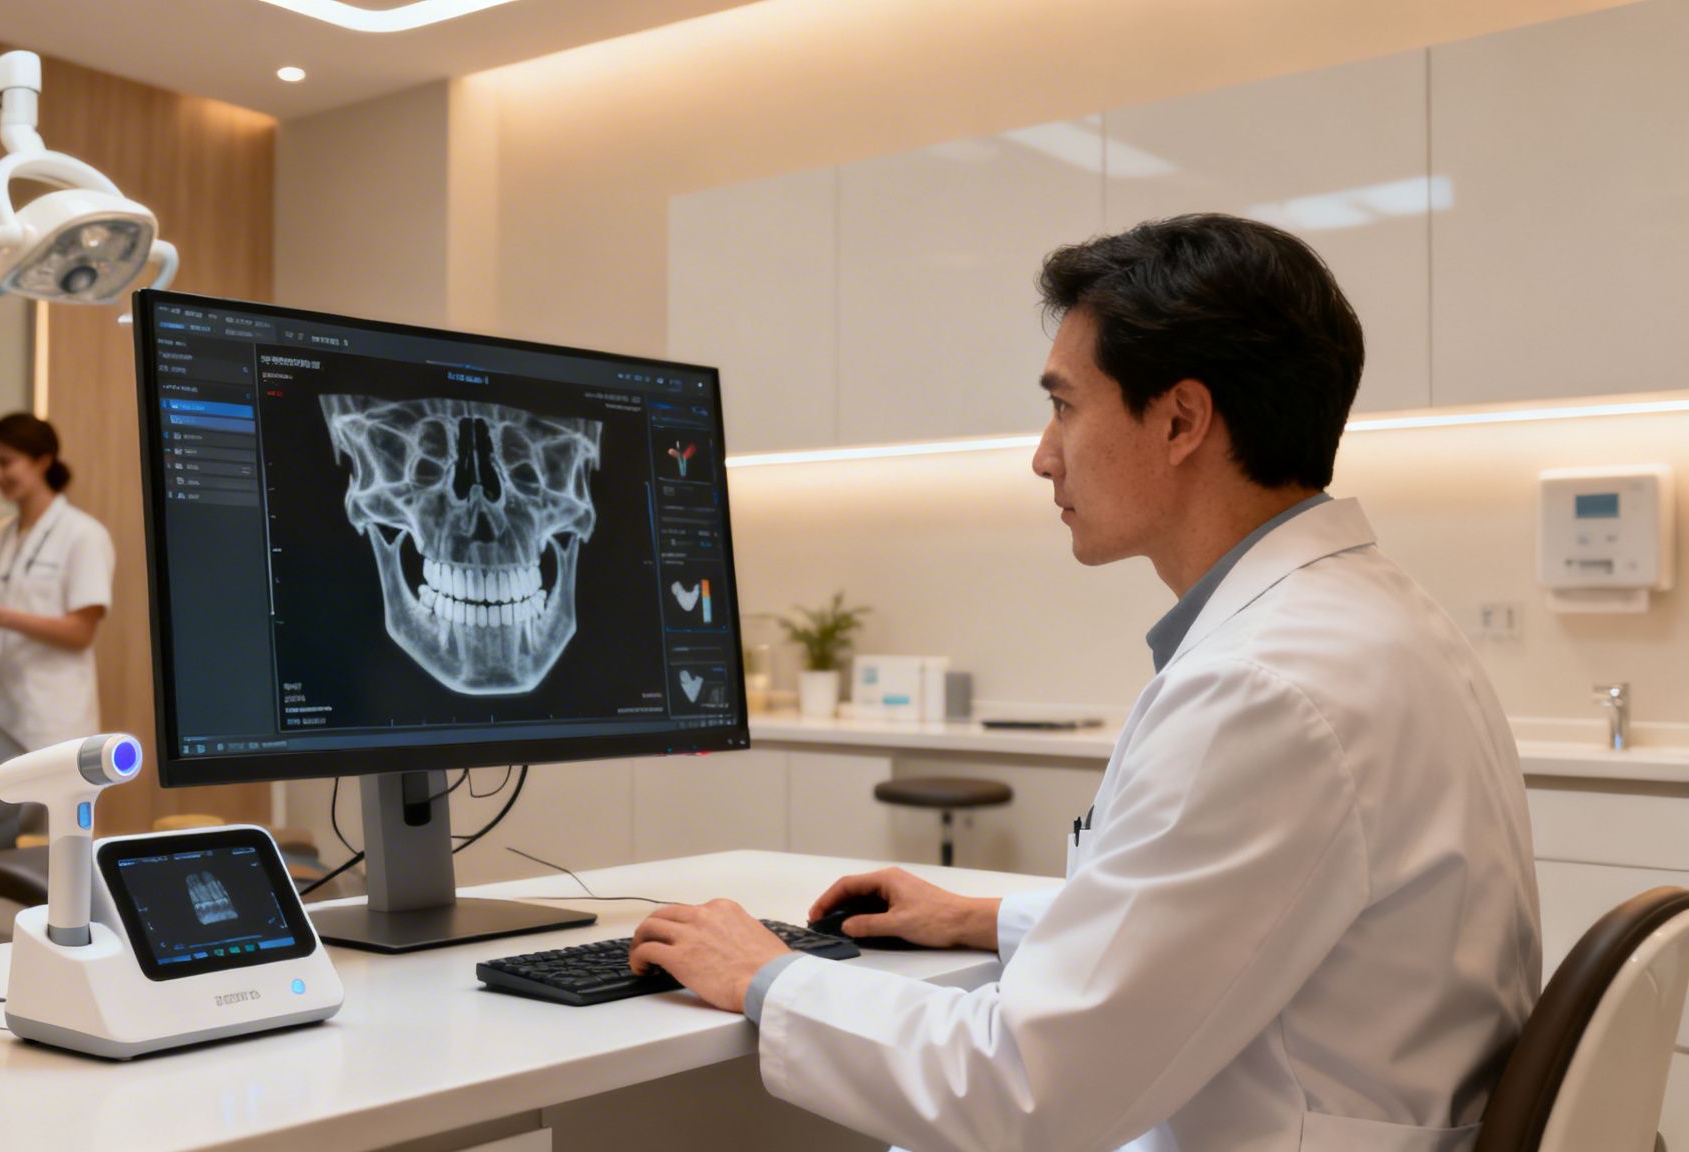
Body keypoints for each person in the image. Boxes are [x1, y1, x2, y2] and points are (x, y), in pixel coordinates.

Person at [629, 214, 1542, 1151]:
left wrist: (768, 976)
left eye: (1064, 405)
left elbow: (1026, 1090)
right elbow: (1230, 917)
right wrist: (982, 917)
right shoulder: (1371, 621)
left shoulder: (1264, 687)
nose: (1042, 454)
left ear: (1182, 419)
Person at [0, 413, 114, 752]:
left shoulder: (84, 534)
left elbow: (80, 632)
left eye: (6, 462)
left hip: (52, 718)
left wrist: (0, 617)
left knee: (52, 805)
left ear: (43, 460)